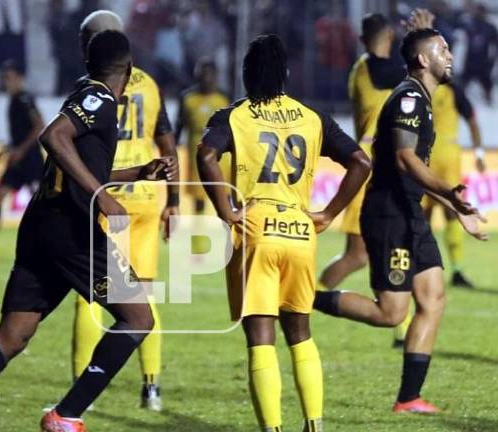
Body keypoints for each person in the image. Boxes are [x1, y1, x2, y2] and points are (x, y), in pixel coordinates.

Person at [0, 30, 178, 432]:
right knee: (137, 317)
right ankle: (66, 415)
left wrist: (137, 172)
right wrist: (101, 195)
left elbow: (76, 163)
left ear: (86, 63)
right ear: (130, 72)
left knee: (13, 335)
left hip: (43, 224)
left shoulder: (85, 94)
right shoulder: (96, 98)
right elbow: (52, 136)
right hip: (72, 230)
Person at [197, 34, 370, 432]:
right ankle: (314, 424)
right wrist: (328, 213)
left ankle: (273, 429)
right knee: (301, 335)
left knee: (260, 338)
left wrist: (226, 210)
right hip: (299, 230)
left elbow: (206, 155)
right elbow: (361, 161)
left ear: (245, 74)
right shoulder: (312, 117)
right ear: (285, 75)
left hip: (256, 228)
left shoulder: (233, 116)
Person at [313, 28, 488, 414]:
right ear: (423, 59)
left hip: (411, 212)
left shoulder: (422, 99)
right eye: (442, 50)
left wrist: (456, 209)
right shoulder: (409, 98)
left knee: (434, 298)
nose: (451, 56)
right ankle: (300, 300)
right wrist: (451, 194)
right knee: (390, 313)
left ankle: (409, 398)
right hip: (390, 214)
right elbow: (405, 161)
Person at [69, 10, 179, 412]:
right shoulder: (149, 84)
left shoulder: (89, 87)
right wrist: (176, 202)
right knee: (144, 294)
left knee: (88, 298)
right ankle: (151, 388)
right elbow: (167, 144)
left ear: (91, 43)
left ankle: (83, 392)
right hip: (149, 196)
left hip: (108, 193)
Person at [319, 11, 434, 347]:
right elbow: (403, 72)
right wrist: (419, 39)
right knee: (358, 255)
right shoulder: (368, 68)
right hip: (368, 173)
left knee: (389, 251)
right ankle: (306, 298)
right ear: (388, 37)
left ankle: (400, 330)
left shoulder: (385, 73)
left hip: (384, 174)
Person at [424, 82, 485, 287]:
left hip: (426, 156)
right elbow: (472, 120)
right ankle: (455, 268)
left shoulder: (416, 87)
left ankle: (423, 266)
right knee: (451, 211)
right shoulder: (453, 89)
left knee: (424, 214)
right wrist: (478, 152)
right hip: (447, 156)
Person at [0, 60, 45, 251]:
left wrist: (21, 151)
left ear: (20, 78)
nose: (6, 82)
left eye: (9, 78)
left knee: (41, 205)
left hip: (32, 159)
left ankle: (48, 245)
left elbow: (39, 126)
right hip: (17, 160)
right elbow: (18, 134)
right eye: (5, 79)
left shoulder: (25, 99)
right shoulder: (13, 101)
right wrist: (1, 153)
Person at [175, 58, 231, 215]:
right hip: (196, 150)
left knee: (224, 193)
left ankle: (228, 229)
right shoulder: (188, 98)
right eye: (202, 75)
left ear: (216, 76)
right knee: (198, 195)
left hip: (221, 153)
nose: (206, 78)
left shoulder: (224, 97)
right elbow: (180, 125)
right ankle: (198, 231)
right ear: (196, 76)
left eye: (209, 74)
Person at [462, 3, 498, 104]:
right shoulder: (469, 24)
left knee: (487, 83)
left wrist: (492, 60)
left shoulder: (490, 27)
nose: (479, 13)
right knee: (463, 83)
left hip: (483, 61)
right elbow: (460, 38)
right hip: (469, 59)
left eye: (481, 12)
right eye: (477, 11)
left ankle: (489, 101)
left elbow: (495, 44)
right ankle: (459, 101)